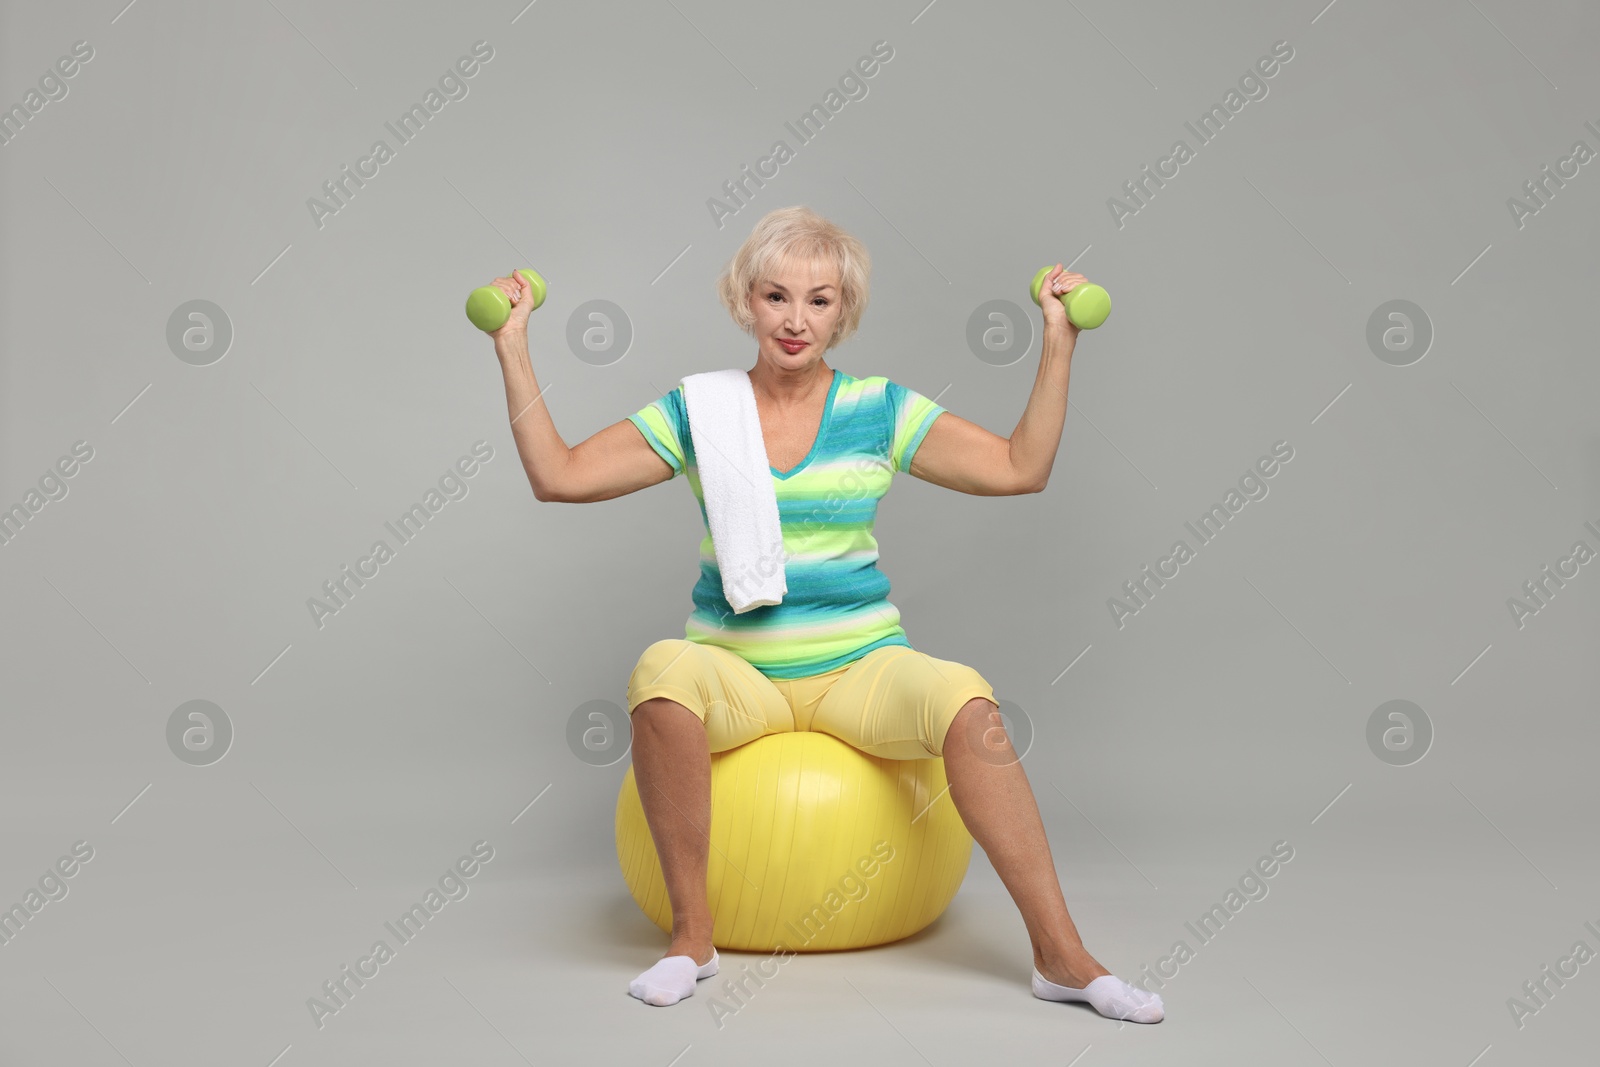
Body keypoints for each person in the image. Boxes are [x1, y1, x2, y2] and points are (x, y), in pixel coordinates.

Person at [481, 205, 1163, 1025]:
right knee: (660, 675)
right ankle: (692, 939)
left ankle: (1062, 955)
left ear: (845, 311)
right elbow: (558, 475)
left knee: (972, 706)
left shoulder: (878, 408)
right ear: (745, 302)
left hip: (860, 668)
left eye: (819, 300)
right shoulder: (700, 411)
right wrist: (512, 346)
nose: (796, 320)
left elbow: (1021, 468)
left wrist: (1060, 339)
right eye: (776, 297)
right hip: (736, 671)